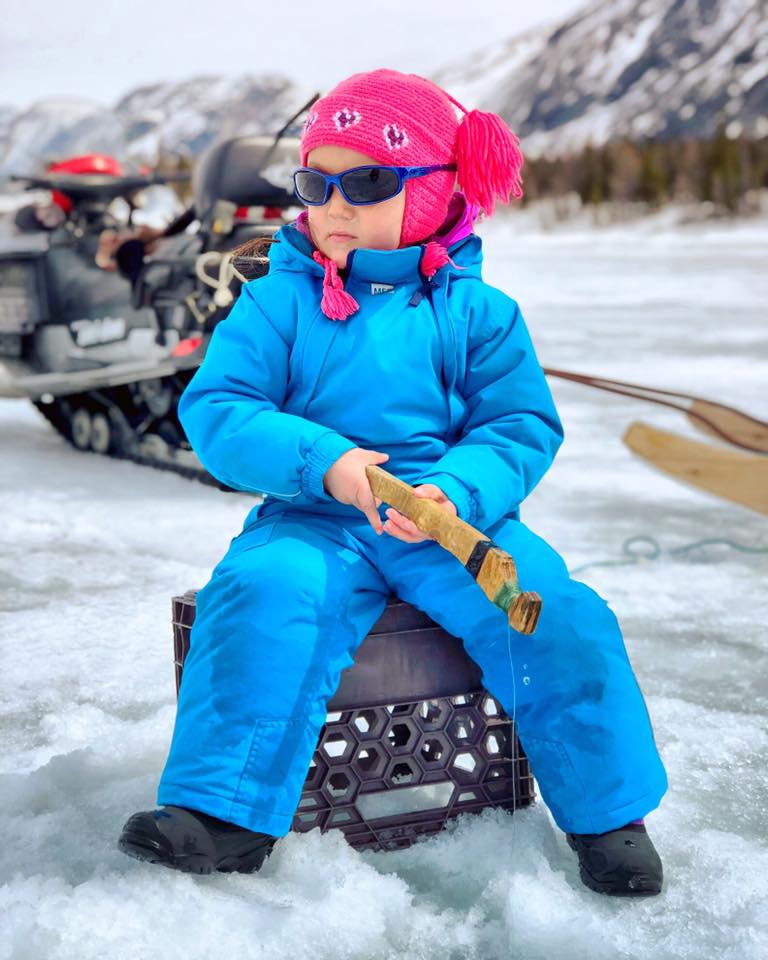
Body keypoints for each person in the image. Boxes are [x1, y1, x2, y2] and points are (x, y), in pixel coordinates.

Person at [118, 69, 668, 895]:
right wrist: (326, 464)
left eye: (366, 181)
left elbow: (518, 427)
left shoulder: (480, 313)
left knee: (553, 614)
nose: (333, 206)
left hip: (450, 521)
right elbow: (222, 410)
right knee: (260, 596)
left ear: (433, 192)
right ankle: (225, 811)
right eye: (315, 183)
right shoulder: (276, 303)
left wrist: (458, 488)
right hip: (315, 515)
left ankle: (608, 815)